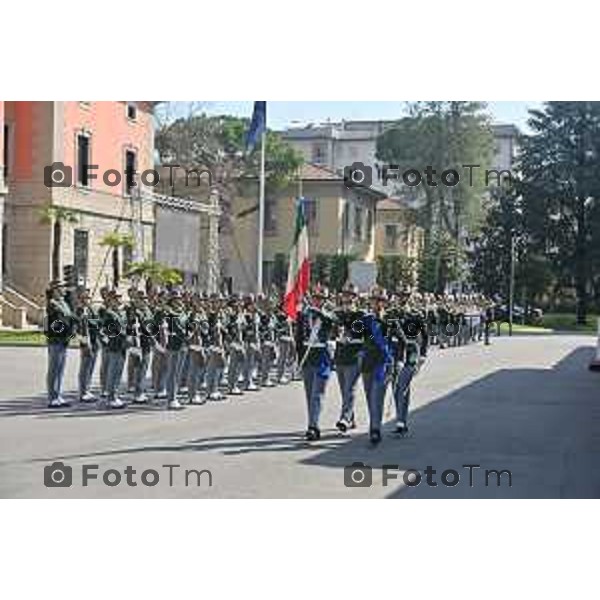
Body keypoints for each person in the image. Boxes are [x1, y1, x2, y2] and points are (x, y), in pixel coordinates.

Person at [296, 288, 336, 441]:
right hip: (307, 357)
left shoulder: (329, 314)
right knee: (309, 395)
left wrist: (317, 311)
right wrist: (298, 359)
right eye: (315, 298)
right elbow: (299, 337)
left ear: (325, 300)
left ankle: (313, 427)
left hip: (321, 358)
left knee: (317, 394)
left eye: (321, 298)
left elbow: (330, 322)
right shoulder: (304, 314)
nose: (317, 300)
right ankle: (312, 422)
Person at [360, 287, 392, 445]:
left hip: (382, 363)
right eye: (374, 301)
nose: (377, 304)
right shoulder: (365, 319)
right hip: (367, 362)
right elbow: (355, 332)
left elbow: (396, 341)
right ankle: (374, 422)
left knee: (377, 397)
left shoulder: (390, 319)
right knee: (369, 397)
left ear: (384, 303)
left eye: (380, 301)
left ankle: (375, 429)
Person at [333, 285, 363, 433]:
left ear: (355, 298)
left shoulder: (360, 314)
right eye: (345, 295)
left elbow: (365, 335)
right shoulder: (336, 314)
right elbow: (332, 332)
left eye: (350, 295)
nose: (347, 298)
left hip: (354, 356)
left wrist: (351, 335)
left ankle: (344, 418)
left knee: (349, 389)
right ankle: (351, 418)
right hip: (340, 356)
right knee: (344, 390)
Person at [45, 280, 75, 408]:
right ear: (56, 290)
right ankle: (52, 397)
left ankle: (58, 395)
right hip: (56, 340)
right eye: (62, 288)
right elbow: (60, 320)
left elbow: (69, 316)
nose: (65, 289)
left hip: (64, 340)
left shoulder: (64, 303)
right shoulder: (52, 304)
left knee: (60, 369)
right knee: (54, 369)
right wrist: (72, 320)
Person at [75, 287, 101, 403]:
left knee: (90, 368)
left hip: (95, 342)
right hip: (87, 343)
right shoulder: (80, 310)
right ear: (80, 298)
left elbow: (96, 322)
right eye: (85, 297)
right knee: (85, 368)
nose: (88, 299)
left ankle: (87, 389)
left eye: (89, 297)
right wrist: (85, 344)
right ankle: (83, 392)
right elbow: (79, 330)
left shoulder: (90, 309)